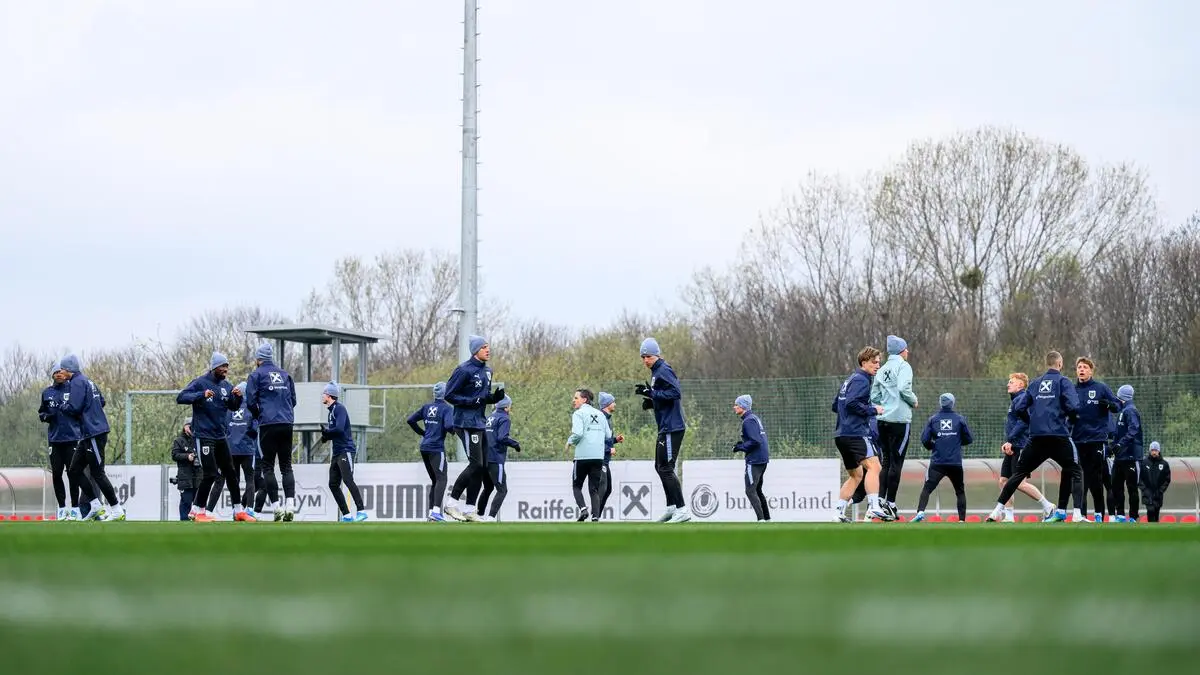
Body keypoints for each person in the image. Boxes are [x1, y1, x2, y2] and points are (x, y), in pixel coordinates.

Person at [986, 351, 1085, 524]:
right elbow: (1074, 407)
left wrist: (1031, 422)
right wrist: (1069, 422)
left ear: (1047, 363)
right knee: (1076, 470)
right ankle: (1077, 514)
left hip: (1037, 437)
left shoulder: (1035, 383)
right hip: (1058, 436)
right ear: (1060, 364)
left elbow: (1020, 408)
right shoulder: (1064, 382)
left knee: (1018, 475)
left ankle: (996, 511)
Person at [177, 352, 254, 523]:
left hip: (220, 436)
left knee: (231, 473)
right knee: (210, 473)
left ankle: (238, 511)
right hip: (204, 435)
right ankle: (198, 511)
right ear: (214, 367)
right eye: (222, 366)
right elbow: (181, 397)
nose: (226, 369)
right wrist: (201, 395)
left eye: (227, 366)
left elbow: (233, 407)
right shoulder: (200, 382)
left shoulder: (226, 386)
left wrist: (237, 397)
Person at [443, 335, 505, 522]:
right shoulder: (463, 370)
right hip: (465, 423)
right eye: (484, 347)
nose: (488, 349)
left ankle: (470, 510)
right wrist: (471, 401)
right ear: (475, 350)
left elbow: (482, 397)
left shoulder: (488, 371)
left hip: (480, 422)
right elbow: (449, 395)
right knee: (476, 464)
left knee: (482, 467)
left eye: (488, 346)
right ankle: (451, 504)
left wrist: (494, 398)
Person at [58, 354, 125, 521]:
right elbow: (101, 401)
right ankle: (95, 505)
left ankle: (117, 509)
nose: (60, 372)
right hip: (88, 434)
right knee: (74, 470)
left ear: (69, 369)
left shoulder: (76, 382)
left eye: (62, 369)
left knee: (97, 473)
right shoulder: (88, 381)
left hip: (94, 433)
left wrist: (62, 407)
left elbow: (74, 407)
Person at [635, 337, 690, 523]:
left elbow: (676, 393)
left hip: (672, 427)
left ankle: (682, 510)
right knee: (659, 467)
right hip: (665, 426)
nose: (645, 360)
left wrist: (651, 393)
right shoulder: (656, 371)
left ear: (657, 355)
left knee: (666, 468)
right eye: (643, 357)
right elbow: (664, 397)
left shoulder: (663, 369)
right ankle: (671, 507)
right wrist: (652, 402)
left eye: (648, 356)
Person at [833, 347, 889, 523]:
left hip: (841, 435)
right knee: (875, 467)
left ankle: (838, 513)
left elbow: (836, 405)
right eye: (874, 362)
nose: (877, 365)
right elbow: (851, 403)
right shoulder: (862, 380)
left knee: (856, 475)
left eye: (879, 362)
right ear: (863, 362)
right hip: (856, 433)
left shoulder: (849, 380)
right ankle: (874, 507)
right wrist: (873, 410)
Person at [244, 343, 298, 522]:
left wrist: (259, 414)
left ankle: (277, 508)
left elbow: (250, 401)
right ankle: (290, 505)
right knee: (286, 466)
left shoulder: (256, 375)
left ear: (258, 359)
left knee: (267, 466)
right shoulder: (285, 374)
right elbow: (293, 400)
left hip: (267, 423)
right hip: (287, 423)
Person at [871, 335, 918, 520]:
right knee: (896, 463)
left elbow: (874, 396)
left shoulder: (882, 369)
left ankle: (880, 501)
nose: (908, 352)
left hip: (882, 420)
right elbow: (903, 388)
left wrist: (886, 404)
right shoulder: (903, 366)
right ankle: (890, 503)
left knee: (886, 462)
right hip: (899, 420)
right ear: (901, 351)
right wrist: (913, 400)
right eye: (906, 349)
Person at [998, 373, 1055, 523]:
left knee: (1019, 483)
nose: (1008, 384)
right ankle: (1009, 516)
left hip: (1021, 446)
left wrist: (1010, 440)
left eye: (1011, 382)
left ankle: (1048, 506)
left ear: (1021, 385)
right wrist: (1009, 442)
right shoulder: (1015, 400)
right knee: (1004, 481)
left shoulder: (1023, 398)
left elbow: (1024, 423)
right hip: (1013, 445)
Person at [1070, 358, 1120, 522]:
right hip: (1077, 440)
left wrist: (1110, 405)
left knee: (1096, 479)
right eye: (1079, 367)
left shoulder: (1101, 388)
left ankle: (1099, 514)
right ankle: (1081, 514)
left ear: (1091, 371)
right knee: (1080, 479)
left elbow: (1117, 405)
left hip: (1097, 440)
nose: (1081, 370)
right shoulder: (1072, 390)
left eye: (1085, 367)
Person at [911, 393, 972, 522]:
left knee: (927, 488)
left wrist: (933, 446)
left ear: (941, 403)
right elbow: (969, 439)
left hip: (937, 463)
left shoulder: (933, 419)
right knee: (960, 491)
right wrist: (956, 442)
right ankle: (962, 520)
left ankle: (920, 512)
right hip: (955, 463)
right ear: (952, 403)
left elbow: (924, 439)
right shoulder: (960, 419)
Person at [39, 362, 83, 521]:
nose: (58, 374)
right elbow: (41, 412)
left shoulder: (72, 390)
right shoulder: (47, 392)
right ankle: (62, 509)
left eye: (60, 371)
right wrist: (46, 417)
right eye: (55, 372)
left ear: (65, 374)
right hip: (55, 440)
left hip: (72, 439)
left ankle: (75, 509)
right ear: (52, 375)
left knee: (73, 474)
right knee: (57, 473)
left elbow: (80, 410)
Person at [407, 382, 456, 522]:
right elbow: (449, 425)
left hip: (424, 447)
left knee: (435, 480)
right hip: (436, 448)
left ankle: (431, 514)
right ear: (446, 394)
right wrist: (455, 431)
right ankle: (435, 512)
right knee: (442, 479)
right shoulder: (447, 408)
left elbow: (410, 420)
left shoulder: (426, 407)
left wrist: (423, 433)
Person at [321, 382, 367, 522]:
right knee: (333, 484)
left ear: (329, 396)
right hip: (337, 452)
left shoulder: (339, 409)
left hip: (345, 450)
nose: (322, 396)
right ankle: (346, 515)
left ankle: (361, 511)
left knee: (348, 480)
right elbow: (335, 432)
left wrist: (327, 432)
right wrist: (326, 436)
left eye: (324, 393)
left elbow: (340, 429)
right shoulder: (331, 412)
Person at [567, 389, 610, 522]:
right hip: (598, 457)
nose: (573, 400)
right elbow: (608, 435)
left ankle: (583, 510)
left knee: (576, 486)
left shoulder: (578, 414)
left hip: (582, 456)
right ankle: (595, 517)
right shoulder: (600, 414)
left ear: (584, 399)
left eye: (576, 398)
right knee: (594, 489)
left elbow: (578, 433)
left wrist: (569, 442)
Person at [480, 395, 520, 522]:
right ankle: (491, 518)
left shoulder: (490, 417)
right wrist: (515, 444)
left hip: (484, 457)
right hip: (495, 458)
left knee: (488, 488)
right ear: (506, 407)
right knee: (502, 490)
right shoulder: (504, 418)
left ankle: (478, 515)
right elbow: (502, 438)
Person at [732, 395, 770, 522]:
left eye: (736, 405)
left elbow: (755, 441)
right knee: (757, 490)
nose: (734, 407)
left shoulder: (748, 421)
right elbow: (756, 439)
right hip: (762, 458)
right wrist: (742, 445)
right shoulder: (754, 418)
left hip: (755, 460)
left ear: (743, 406)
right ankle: (767, 519)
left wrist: (739, 447)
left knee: (750, 490)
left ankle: (761, 520)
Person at [227, 381, 260, 520]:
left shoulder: (230, 407)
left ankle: (236, 510)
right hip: (247, 449)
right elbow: (254, 427)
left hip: (231, 450)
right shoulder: (252, 407)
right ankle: (249, 509)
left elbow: (225, 426)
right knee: (250, 480)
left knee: (234, 481)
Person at [1109, 385, 1142, 522]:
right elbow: (1119, 433)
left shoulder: (1130, 411)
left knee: (1132, 487)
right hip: (1120, 457)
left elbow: (1133, 430)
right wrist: (1112, 445)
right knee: (1116, 486)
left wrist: (1120, 444)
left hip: (1130, 455)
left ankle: (1133, 516)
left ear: (1121, 397)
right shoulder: (1123, 411)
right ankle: (1121, 515)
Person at [596, 392, 624, 516]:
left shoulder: (607, 418)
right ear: (607, 404)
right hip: (600, 459)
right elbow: (596, 440)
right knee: (603, 489)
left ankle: (596, 515)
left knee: (607, 489)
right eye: (613, 402)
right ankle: (595, 515)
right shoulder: (601, 419)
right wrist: (608, 449)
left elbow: (605, 439)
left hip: (605, 460)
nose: (615, 404)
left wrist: (615, 440)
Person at [170, 418, 201, 521]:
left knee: (199, 502)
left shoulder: (199, 440)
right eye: (190, 426)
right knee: (186, 501)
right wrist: (187, 456)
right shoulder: (179, 441)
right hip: (185, 476)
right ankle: (184, 522)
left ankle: (199, 523)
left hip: (198, 475)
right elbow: (174, 455)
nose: (192, 429)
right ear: (185, 427)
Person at [1139, 441, 1171, 523]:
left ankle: (1155, 528)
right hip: (1147, 493)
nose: (1154, 452)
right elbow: (1140, 478)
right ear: (1150, 451)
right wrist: (1144, 489)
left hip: (1158, 494)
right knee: (1150, 510)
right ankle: (1151, 528)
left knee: (1156, 513)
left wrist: (1161, 490)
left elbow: (1167, 479)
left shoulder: (1164, 464)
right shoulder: (1144, 463)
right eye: (1152, 450)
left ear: (1158, 451)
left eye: (1155, 450)